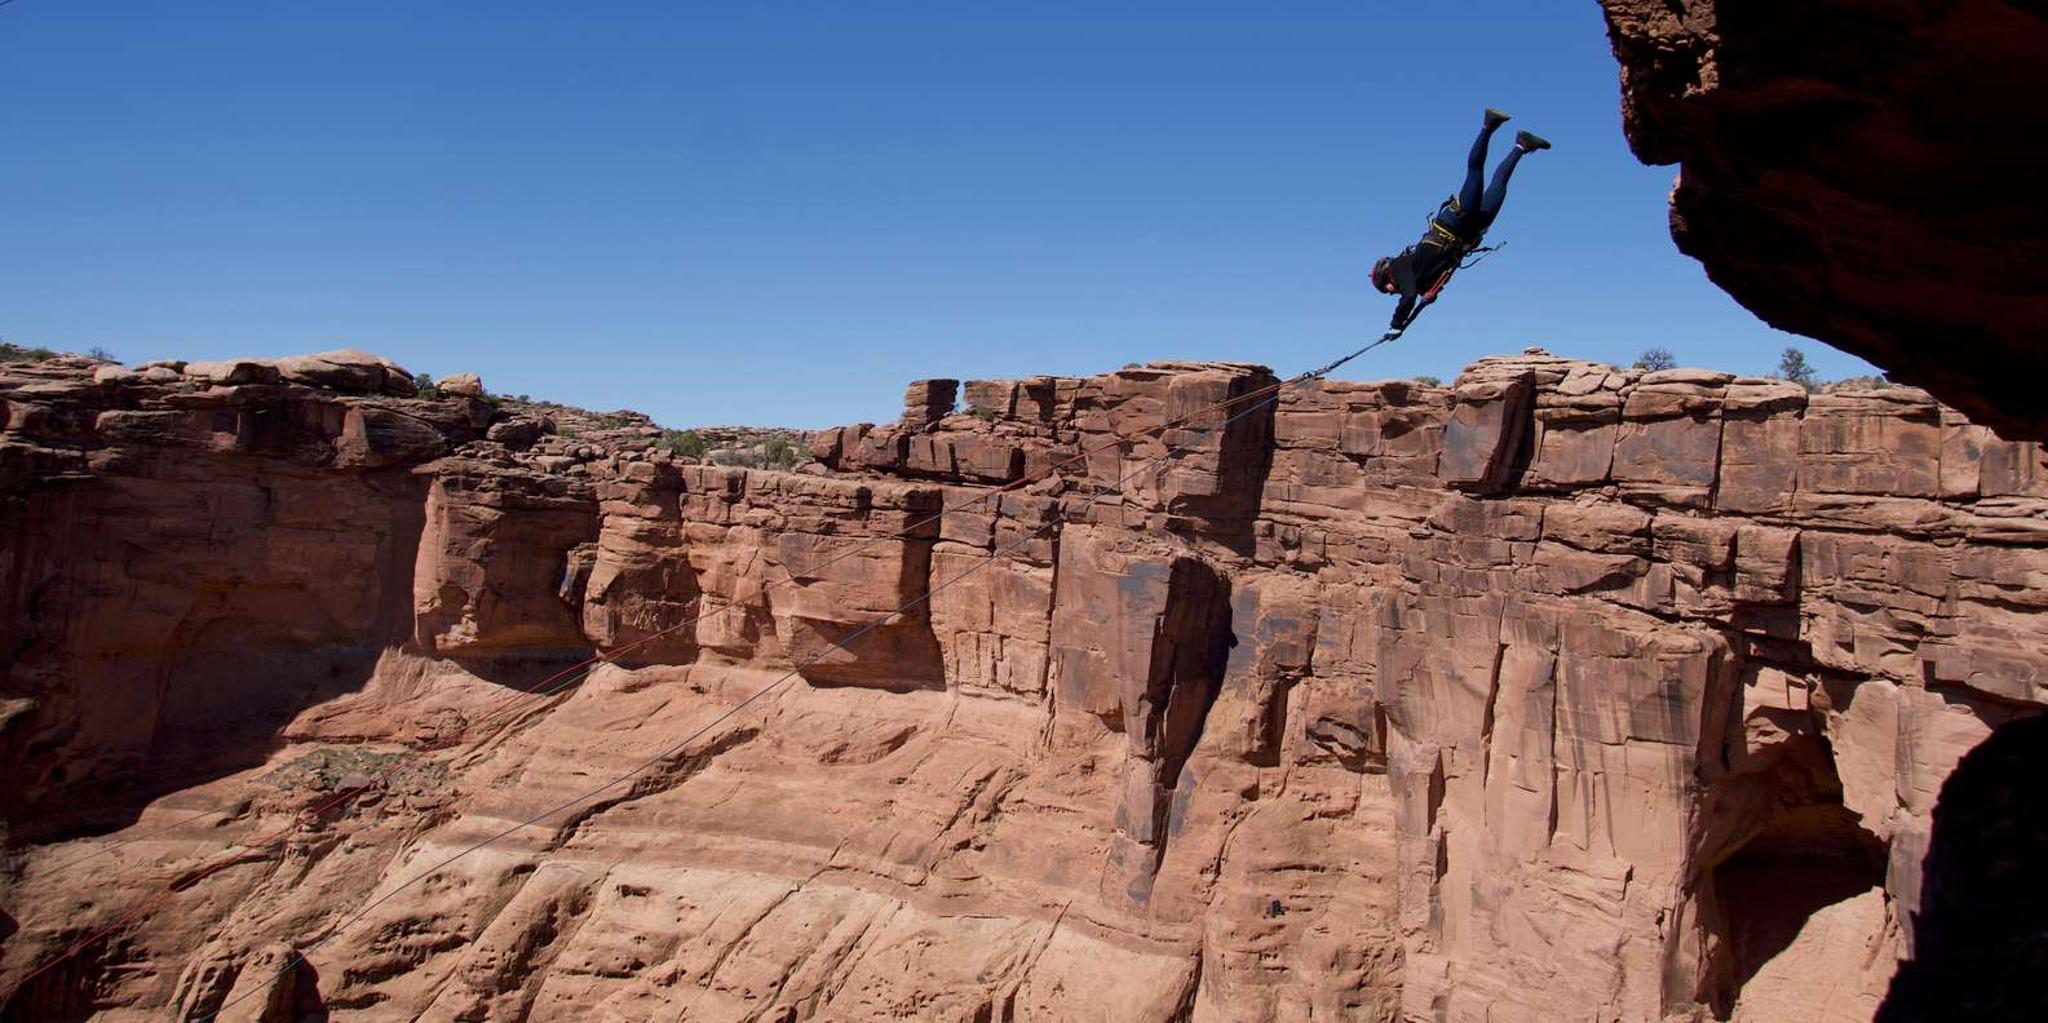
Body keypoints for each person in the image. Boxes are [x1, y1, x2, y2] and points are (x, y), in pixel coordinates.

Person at [1371, 108, 1550, 331]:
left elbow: (1407, 298)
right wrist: (1428, 297)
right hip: (1469, 231)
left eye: (1385, 289)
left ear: (1385, 279)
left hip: (1455, 223)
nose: (1390, 292)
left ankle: (1488, 126)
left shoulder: (1400, 269)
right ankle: (1522, 145)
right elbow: (1425, 284)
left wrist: (1396, 324)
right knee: (1499, 187)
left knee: (1475, 173)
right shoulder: (1416, 276)